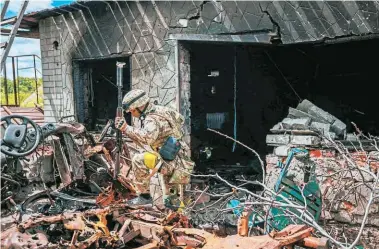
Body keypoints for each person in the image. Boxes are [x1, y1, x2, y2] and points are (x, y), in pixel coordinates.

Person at [115, 89, 194, 206]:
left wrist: (126, 128)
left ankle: (144, 197)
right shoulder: (162, 110)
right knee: (172, 200)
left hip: (170, 162)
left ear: (139, 107)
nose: (132, 113)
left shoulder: (151, 118)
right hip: (178, 158)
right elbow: (180, 119)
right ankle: (179, 219)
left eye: (132, 111)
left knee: (138, 160)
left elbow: (147, 138)